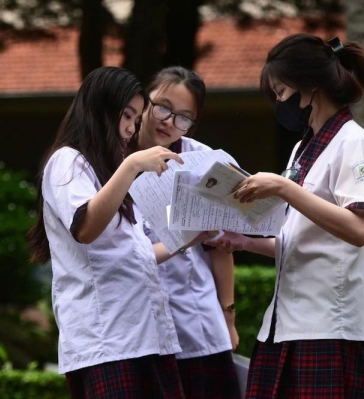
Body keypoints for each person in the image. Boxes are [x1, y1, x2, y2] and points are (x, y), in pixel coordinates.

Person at [208, 34, 364, 398]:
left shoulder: (353, 141)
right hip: (284, 325)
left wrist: (284, 188)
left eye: (282, 90)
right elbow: (300, 240)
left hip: (330, 327)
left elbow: (358, 227)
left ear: (311, 87)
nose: (280, 102)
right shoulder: (305, 146)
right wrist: (244, 242)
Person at [27, 66, 210, 398]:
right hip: (107, 343)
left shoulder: (108, 170)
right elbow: (85, 228)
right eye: (127, 117)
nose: (130, 128)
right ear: (99, 110)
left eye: (136, 119)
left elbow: (137, 256)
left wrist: (191, 236)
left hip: (146, 338)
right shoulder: (67, 161)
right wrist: (132, 164)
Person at [130, 66, 241, 399]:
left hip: (198, 323)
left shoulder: (205, 161)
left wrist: (228, 316)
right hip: (136, 329)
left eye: (183, 117)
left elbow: (220, 248)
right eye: (162, 107)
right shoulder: (114, 157)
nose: (169, 122)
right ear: (144, 101)